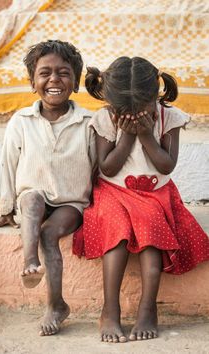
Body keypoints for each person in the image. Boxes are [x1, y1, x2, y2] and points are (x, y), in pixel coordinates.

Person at [73, 56, 209, 343]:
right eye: (126, 110)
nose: (134, 114)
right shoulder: (106, 118)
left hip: (155, 193)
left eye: (142, 108)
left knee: (151, 232)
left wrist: (146, 135)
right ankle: (110, 310)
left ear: (156, 94)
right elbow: (107, 167)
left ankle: (148, 309)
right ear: (111, 101)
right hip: (113, 191)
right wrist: (125, 136)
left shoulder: (169, 117)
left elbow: (166, 165)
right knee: (117, 231)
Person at [0, 40, 96, 336]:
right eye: (44, 73)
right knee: (31, 199)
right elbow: (7, 165)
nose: (54, 80)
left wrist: (98, 212)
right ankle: (30, 260)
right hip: (31, 200)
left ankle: (56, 305)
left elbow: (98, 169)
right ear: (33, 82)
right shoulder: (21, 121)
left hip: (71, 204)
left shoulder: (88, 123)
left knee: (49, 233)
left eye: (63, 73)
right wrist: (5, 208)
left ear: (76, 81)